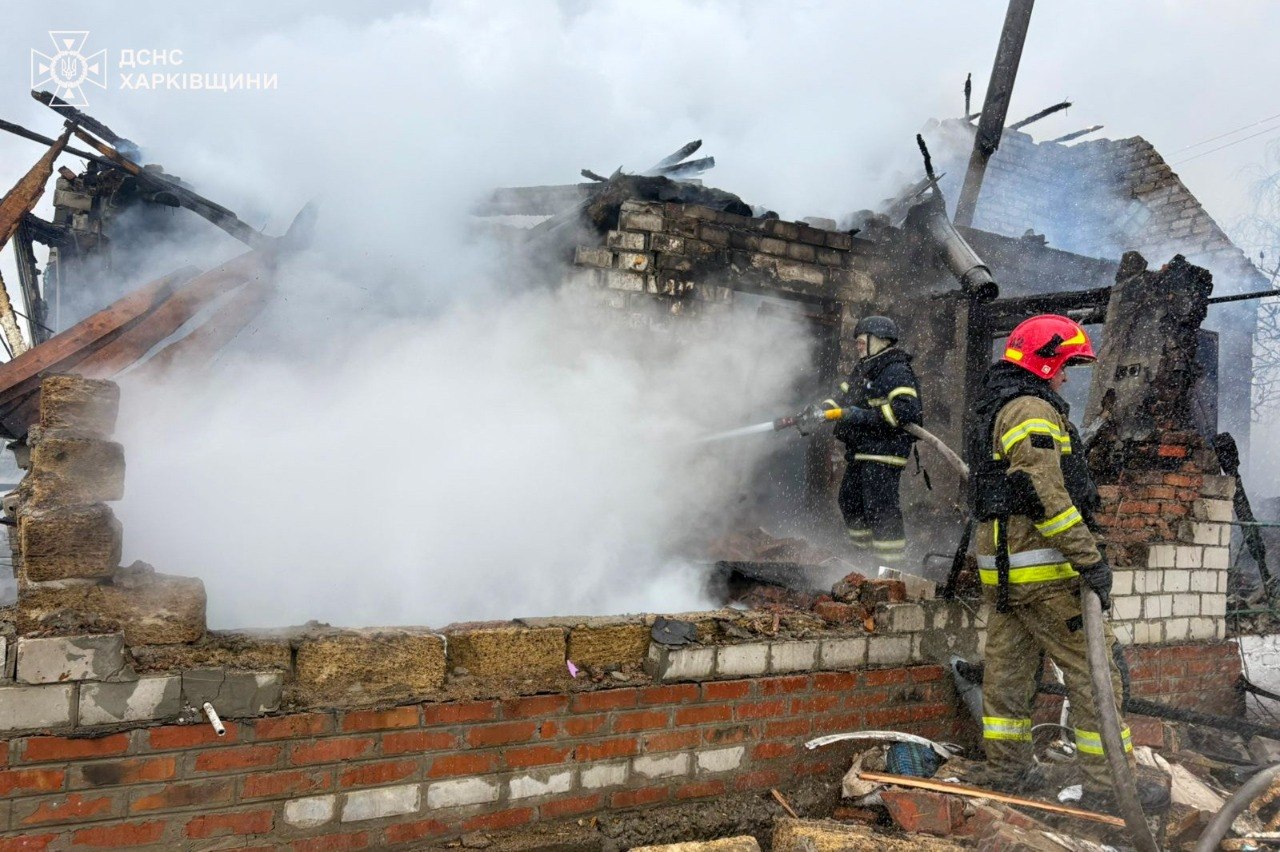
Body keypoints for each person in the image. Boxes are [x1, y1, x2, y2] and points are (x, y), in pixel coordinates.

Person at [967, 313, 1167, 811]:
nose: (1066, 378)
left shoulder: (998, 405)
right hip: (1045, 575)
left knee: (1008, 677)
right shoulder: (1032, 409)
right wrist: (1089, 558)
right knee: (1094, 675)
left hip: (1005, 574)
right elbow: (1045, 494)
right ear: (1046, 362)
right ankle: (1110, 787)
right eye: (1065, 366)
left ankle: (1007, 772)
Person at [821, 315, 922, 564]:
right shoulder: (864, 369)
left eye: (861, 340)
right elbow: (841, 397)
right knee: (849, 502)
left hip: (885, 451)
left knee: (880, 508)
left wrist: (861, 415)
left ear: (878, 339)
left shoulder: (895, 369)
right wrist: (820, 410)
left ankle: (890, 565)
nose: (857, 345)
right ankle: (863, 558)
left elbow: (906, 410)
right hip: (862, 449)